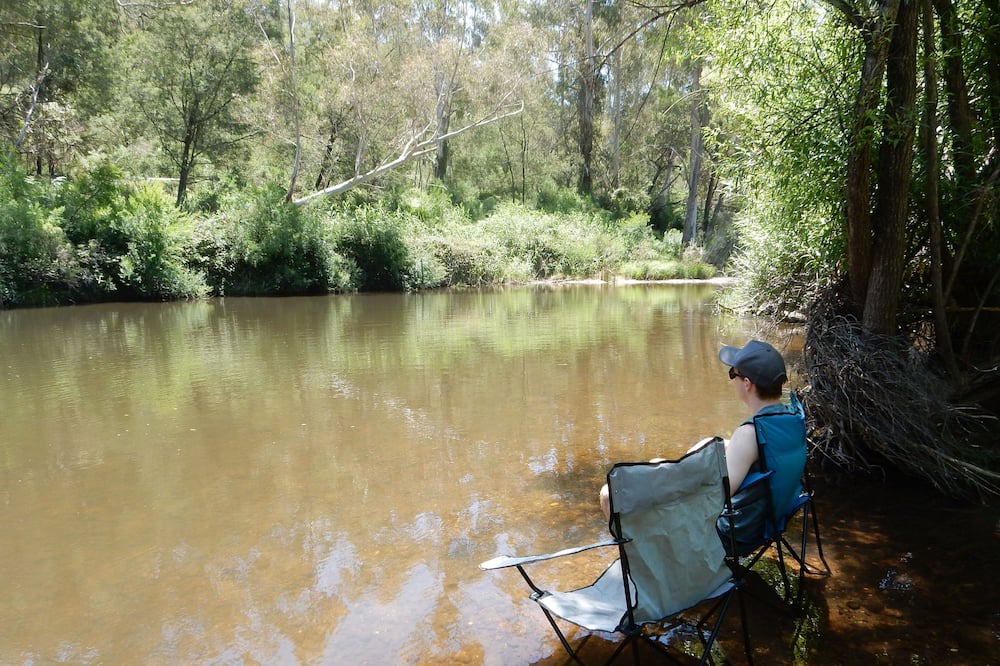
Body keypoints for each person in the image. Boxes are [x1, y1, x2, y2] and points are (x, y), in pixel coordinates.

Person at [599, 339, 790, 521]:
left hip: (725, 534)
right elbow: (755, 454)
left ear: (747, 384)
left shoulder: (749, 434)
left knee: (609, 495)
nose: (732, 380)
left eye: (733, 373)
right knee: (663, 463)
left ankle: (637, 554)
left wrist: (677, 483)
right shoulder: (788, 420)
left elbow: (715, 499)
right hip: (766, 520)